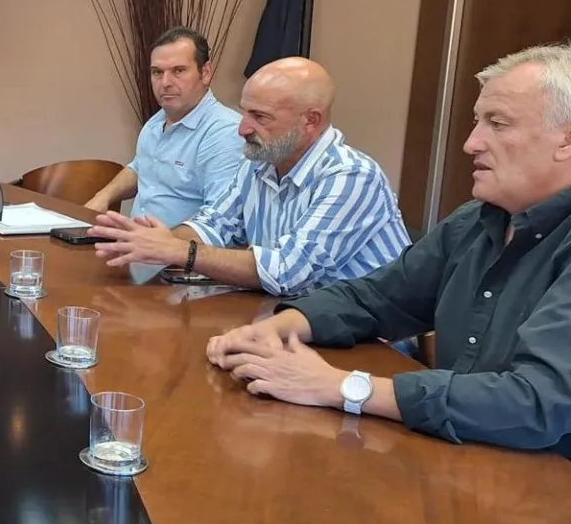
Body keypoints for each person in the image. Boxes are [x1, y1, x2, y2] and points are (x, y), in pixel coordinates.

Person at [206, 43, 571, 456]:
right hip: (457, 457)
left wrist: (341, 387)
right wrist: (276, 328)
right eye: (477, 122)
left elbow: (538, 402)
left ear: (566, 140)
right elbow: (377, 297)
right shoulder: (475, 222)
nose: (471, 143)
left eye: (498, 124)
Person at [89, 57, 411, 296]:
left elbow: (288, 271)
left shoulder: (351, 176)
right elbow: (214, 224)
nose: (243, 129)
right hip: (293, 320)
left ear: (310, 121)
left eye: (260, 117)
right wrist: (153, 243)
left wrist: (179, 252)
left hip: (373, 345)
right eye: (244, 112)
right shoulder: (259, 163)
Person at [83, 27, 244, 225]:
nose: (165, 82)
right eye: (157, 72)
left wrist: (157, 241)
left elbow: (218, 221)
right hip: (133, 240)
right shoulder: (157, 121)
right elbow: (140, 167)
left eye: (178, 71)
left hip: (178, 244)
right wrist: (103, 196)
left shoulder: (225, 132)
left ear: (205, 72)